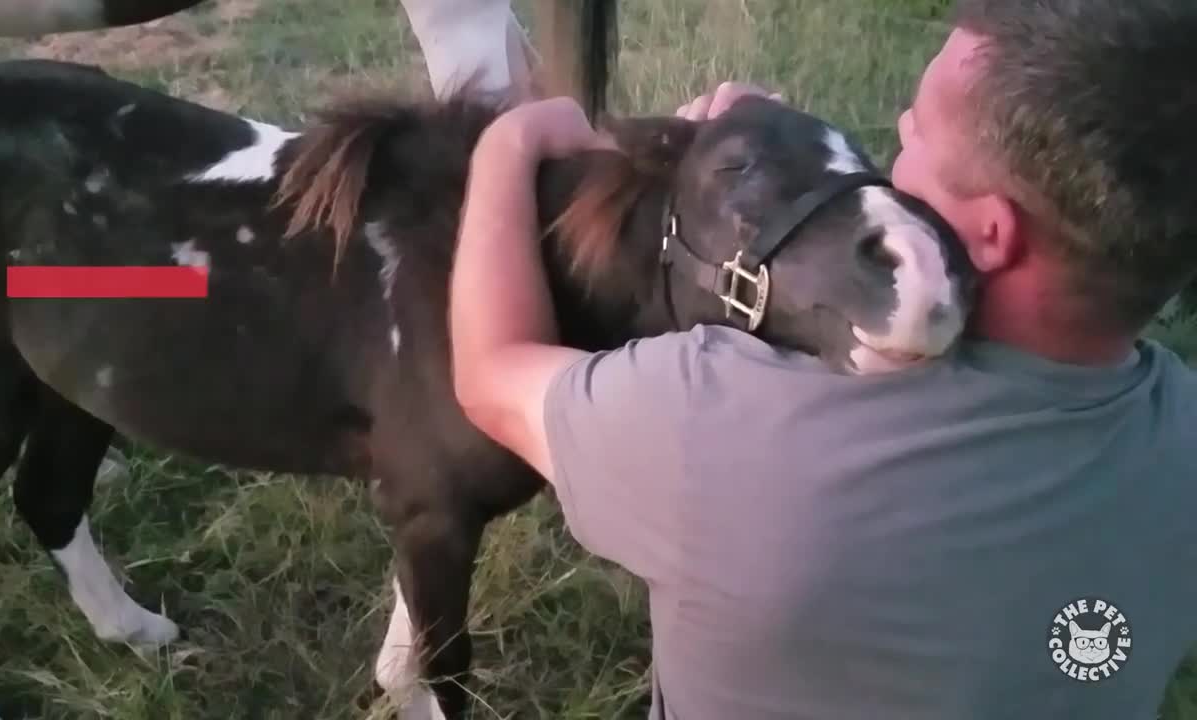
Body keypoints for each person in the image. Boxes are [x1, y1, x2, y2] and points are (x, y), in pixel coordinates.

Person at [447, 0, 1197, 717]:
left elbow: (492, 375)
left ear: (993, 236)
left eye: (918, 138)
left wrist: (505, 147)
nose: (898, 136)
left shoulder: (718, 422)